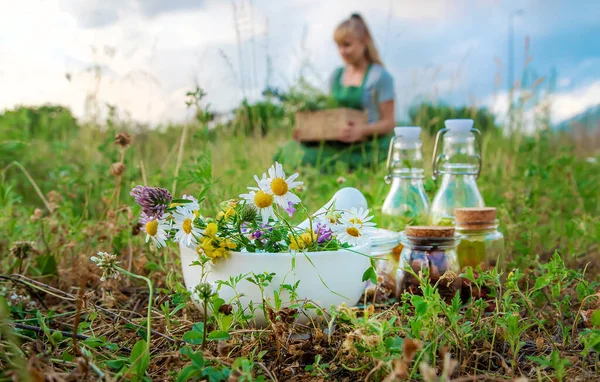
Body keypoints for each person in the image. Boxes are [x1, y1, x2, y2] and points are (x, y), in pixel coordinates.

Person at [276, 13, 396, 171]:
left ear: (364, 41)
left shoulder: (380, 77)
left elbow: (389, 123)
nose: (342, 51)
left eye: (347, 45)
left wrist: (362, 131)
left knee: (311, 160)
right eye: (338, 46)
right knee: (289, 150)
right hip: (337, 144)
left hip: (368, 146)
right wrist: (308, 133)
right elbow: (330, 116)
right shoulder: (336, 76)